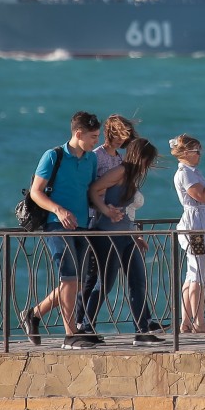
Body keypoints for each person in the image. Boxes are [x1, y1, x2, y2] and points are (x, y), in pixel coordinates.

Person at [19, 111, 101, 350]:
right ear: (78, 133)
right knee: (69, 277)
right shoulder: (53, 156)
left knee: (75, 281)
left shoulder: (91, 159)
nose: (97, 141)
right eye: (93, 136)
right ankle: (70, 334)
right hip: (56, 224)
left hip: (83, 225)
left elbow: (88, 191)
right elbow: (36, 191)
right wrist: (59, 210)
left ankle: (33, 314)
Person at [83, 137, 164, 346]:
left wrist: (136, 234)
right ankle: (86, 326)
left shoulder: (132, 177)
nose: (148, 166)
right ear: (141, 157)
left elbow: (128, 212)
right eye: (148, 160)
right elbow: (94, 190)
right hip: (106, 236)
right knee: (105, 283)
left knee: (138, 280)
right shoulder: (120, 172)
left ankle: (142, 330)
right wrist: (106, 210)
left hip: (126, 236)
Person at [77, 114, 141, 342]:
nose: (126, 139)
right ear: (113, 132)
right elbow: (92, 189)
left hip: (116, 223)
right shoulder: (98, 157)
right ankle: (82, 321)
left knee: (101, 278)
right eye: (124, 134)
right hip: (98, 222)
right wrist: (105, 209)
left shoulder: (120, 159)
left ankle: (86, 322)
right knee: (95, 277)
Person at [169, 134, 205, 333]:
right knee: (198, 273)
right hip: (196, 229)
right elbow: (202, 197)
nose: (199, 155)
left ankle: (186, 321)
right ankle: (198, 322)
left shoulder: (193, 172)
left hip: (203, 225)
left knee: (194, 272)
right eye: (196, 151)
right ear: (186, 153)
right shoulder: (185, 173)